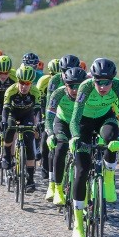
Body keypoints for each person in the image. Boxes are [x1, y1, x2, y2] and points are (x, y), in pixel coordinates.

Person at [68, 58, 119, 237]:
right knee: (81, 171)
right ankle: (79, 223)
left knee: (112, 137)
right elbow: (74, 119)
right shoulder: (85, 87)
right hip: (84, 124)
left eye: (107, 83)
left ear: (113, 80)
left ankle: (109, 179)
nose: (103, 87)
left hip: (105, 119)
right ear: (92, 79)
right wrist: (74, 137)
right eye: (99, 82)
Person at [44, 66, 87, 205]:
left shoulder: (89, 94)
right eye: (71, 86)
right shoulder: (58, 94)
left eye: (78, 86)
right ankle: (57, 188)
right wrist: (50, 134)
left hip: (80, 124)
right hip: (62, 122)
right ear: (65, 84)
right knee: (61, 148)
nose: (75, 90)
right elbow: (49, 118)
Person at [0, 65, 41, 193]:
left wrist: (39, 123)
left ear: (31, 83)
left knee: (29, 144)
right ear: (18, 81)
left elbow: (38, 111)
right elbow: (5, 110)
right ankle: (7, 155)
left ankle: (30, 179)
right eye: (22, 83)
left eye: (27, 83)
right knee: (10, 130)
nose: (24, 87)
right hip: (13, 113)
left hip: (27, 115)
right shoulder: (10, 91)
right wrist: (3, 122)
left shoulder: (35, 92)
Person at [36, 58, 60, 180]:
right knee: (45, 137)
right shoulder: (43, 81)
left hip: (61, 112)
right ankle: (45, 166)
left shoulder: (65, 81)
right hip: (46, 110)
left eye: (59, 74)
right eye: (53, 75)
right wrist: (42, 119)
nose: (56, 77)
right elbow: (39, 103)